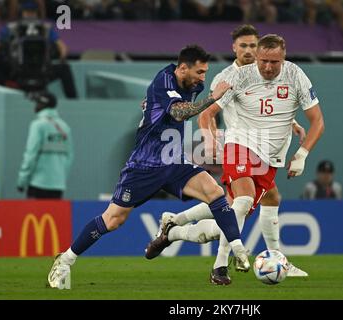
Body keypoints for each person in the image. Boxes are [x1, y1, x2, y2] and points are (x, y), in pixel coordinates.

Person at [47, 45, 251, 290]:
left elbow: (168, 109)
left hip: (174, 161)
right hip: (145, 166)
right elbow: (177, 113)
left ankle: (238, 250)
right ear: (182, 68)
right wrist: (213, 97)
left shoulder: (192, 85)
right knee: (113, 220)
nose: (202, 78)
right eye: (199, 72)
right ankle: (66, 260)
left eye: (205, 72)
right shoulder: (164, 81)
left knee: (215, 193)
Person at [146, 32, 325, 285]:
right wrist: (210, 140)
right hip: (239, 144)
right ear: (243, 52)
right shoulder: (235, 77)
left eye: (274, 62)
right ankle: (219, 267)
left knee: (225, 221)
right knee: (243, 200)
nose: (267, 67)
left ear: (284, 59)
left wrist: (302, 153)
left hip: (270, 157)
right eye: (263, 60)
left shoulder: (295, 75)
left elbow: (317, 120)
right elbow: (207, 113)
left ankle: (174, 227)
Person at [0, 1, 77, 97]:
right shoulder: (11, 28)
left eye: (32, 12)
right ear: (21, 13)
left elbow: (61, 45)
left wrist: (62, 53)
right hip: (16, 69)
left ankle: (73, 101)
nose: (29, 15)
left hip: (41, 69)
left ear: (37, 13)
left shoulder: (45, 28)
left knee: (64, 68)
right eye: (27, 12)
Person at [17, 92, 73, 199]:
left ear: (43, 105)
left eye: (37, 103)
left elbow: (30, 155)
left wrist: (22, 180)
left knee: (35, 215)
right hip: (58, 185)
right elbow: (70, 157)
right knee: (54, 215)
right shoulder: (65, 127)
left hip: (37, 184)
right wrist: (60, 177)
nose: (35, 106)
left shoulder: (38, 125)